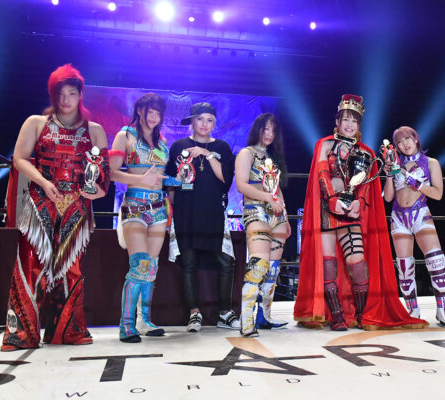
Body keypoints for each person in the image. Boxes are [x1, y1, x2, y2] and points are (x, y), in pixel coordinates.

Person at [294, 94, 427, 331]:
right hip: (327, 210)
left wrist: (361, 202)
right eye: (345, 119)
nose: (349, 124)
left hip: (350, 212)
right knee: (328, 264)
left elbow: (366, 183)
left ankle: (362, 314)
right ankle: (337, 317)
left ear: (359, 125)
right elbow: (322, 173)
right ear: (337, 121)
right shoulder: (324, 144)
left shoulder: (365, 151)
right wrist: (332, 199)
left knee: (357, 263)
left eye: (354, 120)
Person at [1, 64, 110, 351]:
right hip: (39, 205)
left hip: (76, 208)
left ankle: (68, 331)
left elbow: (103, 176)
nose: (65, 99)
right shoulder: (36, 122)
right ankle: (21, 334)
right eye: (60, 94)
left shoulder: (95, 130)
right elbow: (19, 158)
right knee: (30, 265)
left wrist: (96, 191)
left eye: (71, 93)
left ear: (80, 95)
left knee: (70, 269)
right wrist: (43, 182)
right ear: (53, 94)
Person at [164, 102, 239, 332]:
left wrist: (208, 154)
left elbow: (226, 179)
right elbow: (169, 182)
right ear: (192, 121)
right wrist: (175, 200)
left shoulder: (222, 147)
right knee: (188, 262)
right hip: (186, 211)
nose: (204, 124)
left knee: (225, 260)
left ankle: (224, 312)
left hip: (213, 211)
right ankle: (194, 313)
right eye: (200, 119)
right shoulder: (179, 146)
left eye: (209, 120)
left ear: (214, 123)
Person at [109, 93, 169, 343]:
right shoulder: (126, 135)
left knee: (151, 267)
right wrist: (140, 179)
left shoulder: (162, 141)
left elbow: (160, 175)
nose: (154, 117)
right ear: (140, 110)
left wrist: (176, 181)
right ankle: (126, 325)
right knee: (140, 265)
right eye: (150, 111)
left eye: (158, 113)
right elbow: (111, 173)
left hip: (159, 208)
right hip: (135, 205)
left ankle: (144, 320)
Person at [383, 126, 445, 327]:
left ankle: (443, 311)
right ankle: (412, 311)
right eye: (399, 141)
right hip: (398, 216)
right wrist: (389, 175)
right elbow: (388, 197)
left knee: (436, 260)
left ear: (415, 139)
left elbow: (438, 194)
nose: (404, 144)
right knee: (404, 266)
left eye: (408, 139)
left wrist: (418, 185)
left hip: (421, 213)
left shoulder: (431, 162)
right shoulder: (395, 164)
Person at [235, 114, 291, 337]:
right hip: (256, 210)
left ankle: (264, 317)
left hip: (277, 214)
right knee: (259, 265)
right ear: (257, 129)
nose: (269, 134)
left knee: (273, 269)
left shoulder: (272, 157)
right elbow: (241, 185)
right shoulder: (246, 153)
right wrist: (267, 198)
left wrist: (285, 215)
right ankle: (246, 320)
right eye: (265, 129)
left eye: (273, 130)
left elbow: (277, 189)